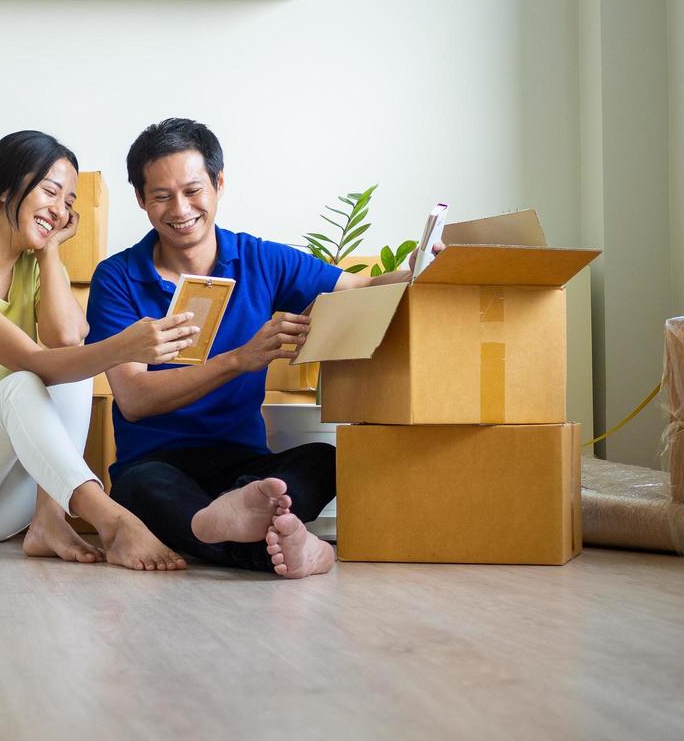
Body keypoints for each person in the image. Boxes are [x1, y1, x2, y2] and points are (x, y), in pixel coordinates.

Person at [84, 118, 429, 579]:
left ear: (218, 183)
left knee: (324, 458)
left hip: (243, 467)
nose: (180, 209)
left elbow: (362, 289)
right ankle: (282, 543)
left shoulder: (261, 259)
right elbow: (136, 399)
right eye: (161, 196)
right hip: (157, 464)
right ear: (141, 200)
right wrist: (239, 360)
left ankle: (239, 515)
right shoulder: (117, 278)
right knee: (139, 488)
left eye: (192, 190)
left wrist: (416, 271)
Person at [0, 130, 199, 571]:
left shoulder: (30, 267)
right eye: (50, 191)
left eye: (69, 202)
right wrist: (126, 345)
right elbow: (35, 363)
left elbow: (68, 340)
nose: (60, 209)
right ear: (6, 187)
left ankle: (48, 522)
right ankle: (111, 520)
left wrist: (49, 254)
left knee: (73, 371)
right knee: (29, 380)